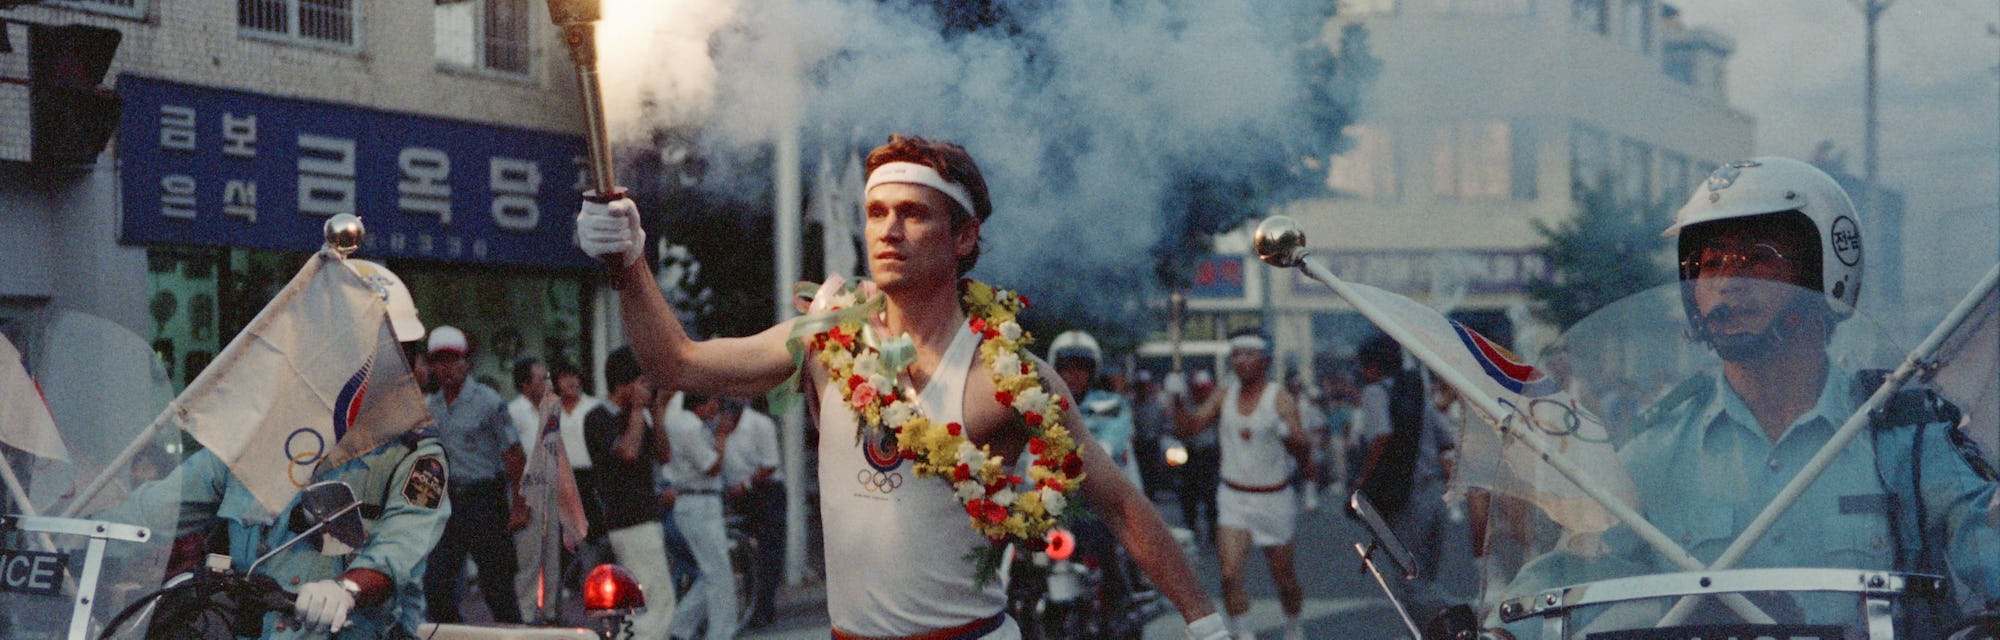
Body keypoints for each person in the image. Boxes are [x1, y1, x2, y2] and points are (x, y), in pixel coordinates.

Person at [576, 134, 1223, 639]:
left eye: (913, 215)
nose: (887, 231)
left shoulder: (1008, 379)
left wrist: (1207, 626)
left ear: (963, 236)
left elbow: (1119, 504)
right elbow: (677, 365)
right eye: (876, 212)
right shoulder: (826, 342)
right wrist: (629, 263)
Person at [1505, 157, 2000, 635]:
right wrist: (1500, 631)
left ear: (1824, 273)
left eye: (1759, 260)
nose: (1727, 283)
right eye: (1710, 262)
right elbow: (1565, 574)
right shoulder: (1658, 452)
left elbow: (1987, 549)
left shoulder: (1903, 439)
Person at [102, 261, 448, 639]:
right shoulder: (260, 437)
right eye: (357, 348)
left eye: (392, 352)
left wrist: (345, 590)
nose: (375, 366)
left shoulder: (412, 455)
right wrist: (64, 535)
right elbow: (158, 509)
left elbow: (397, 552)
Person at [1169, 328, 1313, 640]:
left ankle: (1293, 626)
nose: (1241, 361)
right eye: (1236, 354)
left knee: (1284, 579)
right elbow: (1188, 429)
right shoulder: (1224, 394)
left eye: (1249, 354)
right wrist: (1177, 398)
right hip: (1233, 496)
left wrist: (1288, 435)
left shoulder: (1280, 399)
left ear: (1264, 360)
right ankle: (1243, 632)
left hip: (1273, 498)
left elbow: (1304, 449)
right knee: (1229, 573)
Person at [421, 325, 527, 624]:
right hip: (448, 503)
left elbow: (514, 454)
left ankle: (513, 635)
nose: (447, 368)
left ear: (467, 363)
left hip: (485, 501)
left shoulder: (489, 402)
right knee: (437, 585)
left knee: (497, 587)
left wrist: (519, 505)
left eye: (454, 360)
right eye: (439, 361)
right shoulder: (431, 406)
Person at [1349, 334, 1458, 624]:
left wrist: (1363, 479)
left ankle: (1467, 614)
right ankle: (1430, 631)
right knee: (1426, 574)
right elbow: (1447, 438)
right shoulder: (1417, 395)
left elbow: (1381, 436)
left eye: (1364, 366)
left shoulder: (1375, 393)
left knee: (1410, 582)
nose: (1361, 372)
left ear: (1373, 367)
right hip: (1434, 495)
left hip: (1406, 499)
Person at [584, 347, 678, 639]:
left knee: (635, 602)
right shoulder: (598, 418)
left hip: (645, 517)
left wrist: (656, 413)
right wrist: (638, 410)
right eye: (642, 382)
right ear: (624, 383)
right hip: (628, 520)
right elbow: (627, 452)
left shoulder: (638, 418)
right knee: (656, 600)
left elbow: (663, 455)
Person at [663, 393, 735, 640]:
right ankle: (720, 634)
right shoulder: (688, 425)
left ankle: (679, 627)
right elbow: (711, 466)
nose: (717, 406)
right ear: (702, 402)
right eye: (715, 401)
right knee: (720, 575)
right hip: (698, 501)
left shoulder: (691, 424)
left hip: (700, 501)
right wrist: (722, 436)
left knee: (712, 572)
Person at [722, 396, 785, 628]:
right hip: (738, 494)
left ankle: (764, 609)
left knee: (769, 554)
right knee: (747, 554)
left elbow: (770, 463)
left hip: (765, 491)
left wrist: (746, 484)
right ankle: (752, 604)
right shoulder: (721, 427)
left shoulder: (760, 424)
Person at [506, 356, 553, 620]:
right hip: (527, 491)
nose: (548, 383)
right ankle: (524, 615)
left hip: (547, 489)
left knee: (549, 556)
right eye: (541, 378)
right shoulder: (516, 412)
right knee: (528, 558)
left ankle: (546, 612)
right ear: (526, 384)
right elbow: (513, 458)